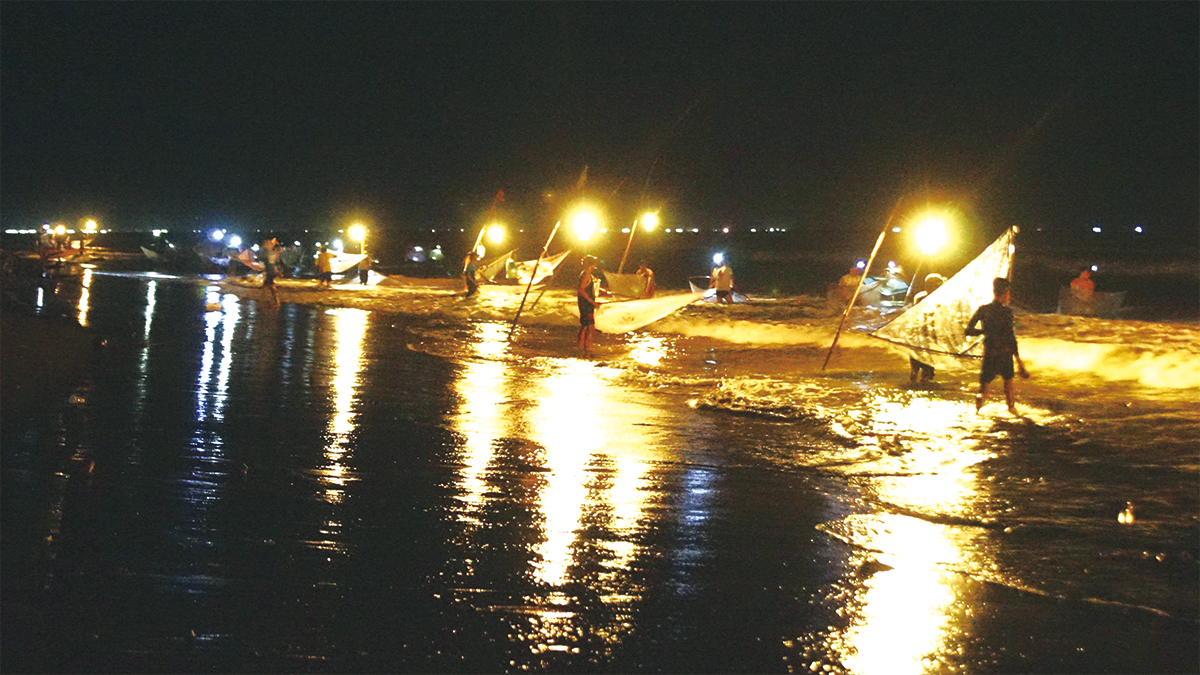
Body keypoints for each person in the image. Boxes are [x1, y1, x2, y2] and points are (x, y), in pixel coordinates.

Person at [965, 277, 1030, 415]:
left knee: (983, 390)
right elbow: (1010, 337)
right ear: (1005, 293)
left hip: (990, 353)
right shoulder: (1007, 312)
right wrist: (1019, 361)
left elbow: (968, 330)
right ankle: (1014, 413)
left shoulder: (983, 309)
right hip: (1005, 354)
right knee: (1008, 389)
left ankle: (976, 413)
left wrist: (984, 331)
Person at [908, 273, 945, 383]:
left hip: (928, 334)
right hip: (920, 334)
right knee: (917, 364)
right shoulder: (921, 297)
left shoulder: (934, 297)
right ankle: (919, 380)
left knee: (926, 365)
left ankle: (922, 380)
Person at [578, 256, 600, 356]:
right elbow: (582, 290)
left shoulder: (589, 276)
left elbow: (589, 288)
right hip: (585, 305)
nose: (594, 267)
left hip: (588, 305)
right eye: (593, 264)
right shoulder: (586, 275)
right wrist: (593, 302)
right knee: (587, 326)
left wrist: (604, 292)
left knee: (588, 326)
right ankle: (583, 346)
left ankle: (585, 346)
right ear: (589, 265)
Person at [259, 237, 281, 306]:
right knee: (266, 285)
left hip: (270, 271)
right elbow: (274, 263)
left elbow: (267, 262)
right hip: (271, 271)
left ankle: (276, 300)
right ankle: (264, 300)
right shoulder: (273, 254)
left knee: (271, 286)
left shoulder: (269, 254)